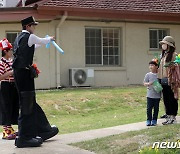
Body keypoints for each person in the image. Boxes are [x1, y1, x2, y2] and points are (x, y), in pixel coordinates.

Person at [12, 16, 59, 148]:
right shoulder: (30, 36)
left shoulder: (19, 38)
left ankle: (39, 131)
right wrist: (49, 39)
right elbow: (41, 41)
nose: (34, 28)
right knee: (27, 104)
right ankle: (24, 137)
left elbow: (34, 45)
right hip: (24, 73)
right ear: (28, 26)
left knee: (28, 103)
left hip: (19, 73)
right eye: (33, 26)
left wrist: (45, 41)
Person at [0, 39, 19, 139]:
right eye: (10, 50)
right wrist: (11, 72)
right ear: (5, 51)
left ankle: (10, 127)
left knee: (13, 106)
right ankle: (5, 129)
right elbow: (0, 77)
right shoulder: (1, 63)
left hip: (13, 86)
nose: (12, 52)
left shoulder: (12, 61)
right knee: (5, 106)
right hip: (6, 86)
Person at [158, 36, 178, 125]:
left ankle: (173, 117)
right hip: (162, 80)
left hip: (171, 80)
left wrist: (173, 65)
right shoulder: (163, 55)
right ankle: (168, 114)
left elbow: (177, 67)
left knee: (172, 98)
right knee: (165, 98)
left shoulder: (174, 55)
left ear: (169, 45)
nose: (163, 45)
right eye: (162, 44)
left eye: (164, 44)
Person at [144, 60, 161, 126]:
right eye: (150, 65)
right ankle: (148, 120)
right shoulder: (148, 75)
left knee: (156, 108)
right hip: (150, 95)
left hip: (157, 95)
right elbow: (144, 83)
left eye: (152, 65)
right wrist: (149, 83)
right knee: (149, 108)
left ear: (156, 67)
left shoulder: (159, 75)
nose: (151, 67)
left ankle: (154, 120)